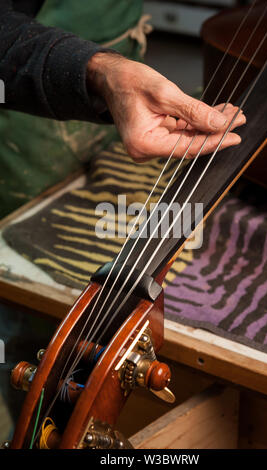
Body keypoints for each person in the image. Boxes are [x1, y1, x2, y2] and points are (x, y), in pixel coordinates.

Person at [0, 0, 245, 441]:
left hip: (110, 77)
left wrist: (111, 77)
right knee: (26, 300)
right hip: (22, 106)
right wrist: (101, 72)